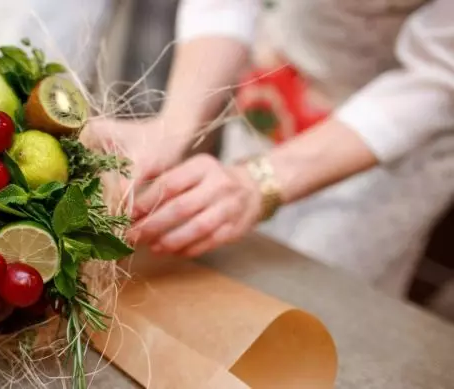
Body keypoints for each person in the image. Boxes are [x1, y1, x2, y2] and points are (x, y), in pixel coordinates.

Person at [83, 0, 454, 297]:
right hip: (279, 76)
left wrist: (258, 183)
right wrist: (175, 125)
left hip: (394, 138)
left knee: (323, 296)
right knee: (229, 273)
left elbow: (438, 76)